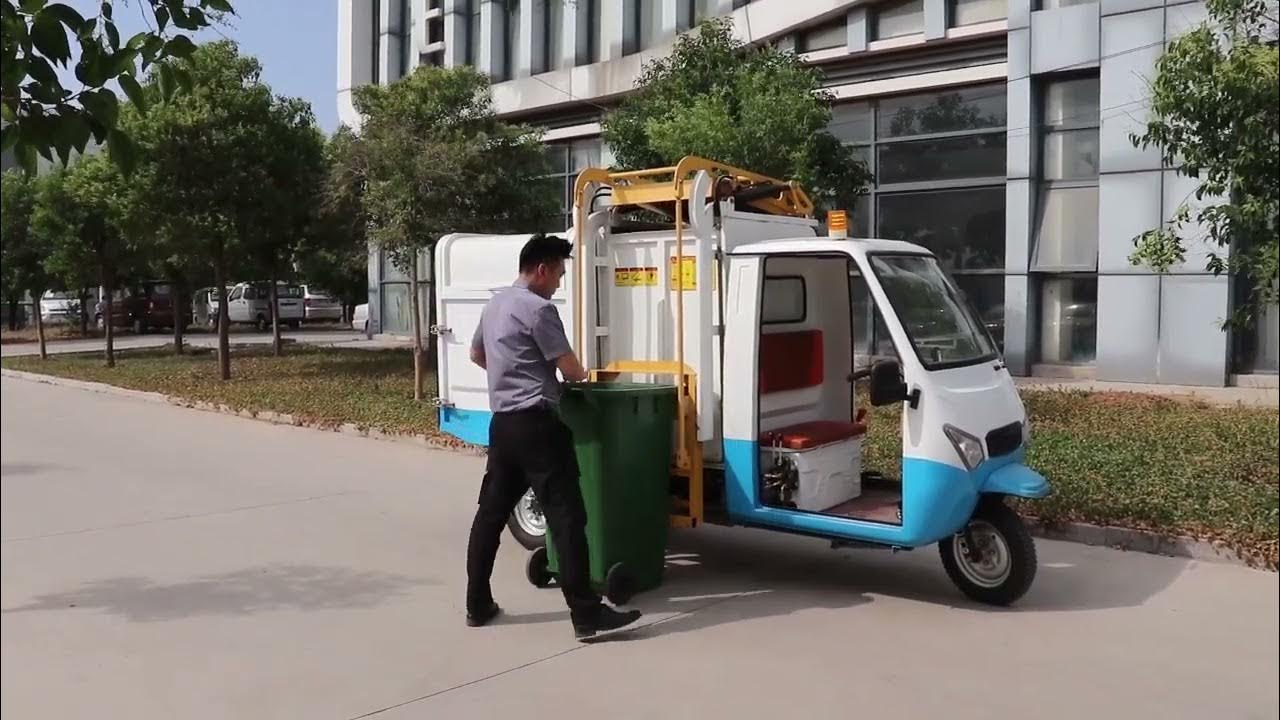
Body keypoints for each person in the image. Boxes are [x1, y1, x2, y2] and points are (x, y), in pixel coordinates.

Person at [465, 232, 643, 641]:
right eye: (559, 274)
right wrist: (583, 376)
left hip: (503, 425)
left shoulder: (495, 304)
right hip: (539, 426)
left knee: (490, 515)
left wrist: (508, 374)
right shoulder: (538, 310)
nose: (559, 283)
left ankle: (477, 604)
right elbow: (572, 370)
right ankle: (586, 614)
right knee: (566, 517)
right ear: (542, 269)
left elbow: (477, 355)